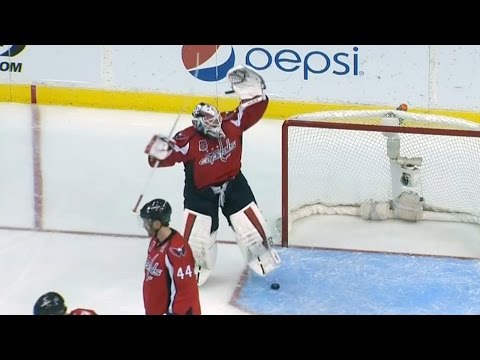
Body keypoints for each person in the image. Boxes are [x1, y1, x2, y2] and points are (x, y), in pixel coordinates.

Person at [144, 65, 281, 286]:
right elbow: (162, 157)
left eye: (216, 120)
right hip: (200, 193)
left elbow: (254, 108)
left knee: (251, 231)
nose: (217, 126)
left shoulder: (230, 124)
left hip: (234, 183)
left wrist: (253, 93)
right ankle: (195, 270)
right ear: (199, 124)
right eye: (210, 123)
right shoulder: (187, 140)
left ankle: (261, 258)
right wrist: (158, 151)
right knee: (198, 242)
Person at [140, 198, 201, 315]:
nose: (144, 225)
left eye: (147, 222)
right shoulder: (154, 242)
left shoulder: (177, 251)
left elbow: (186, 291)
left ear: (157, 224)